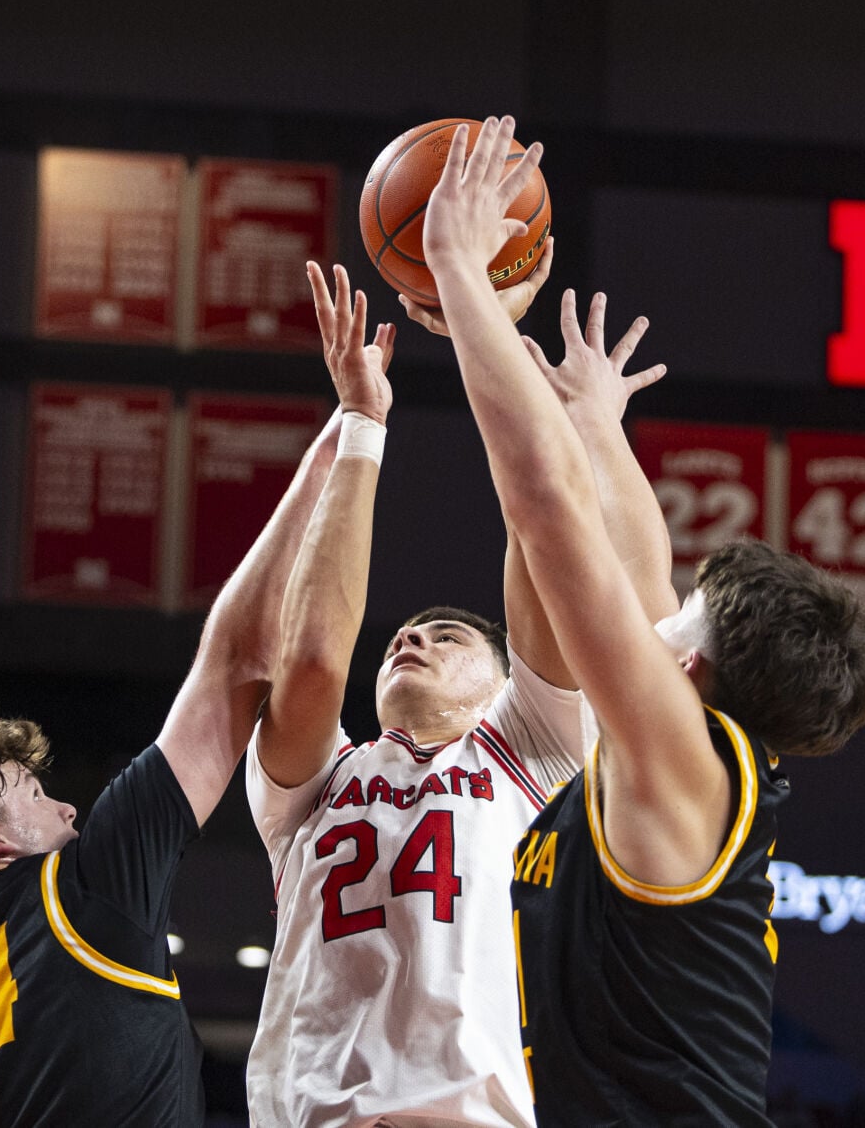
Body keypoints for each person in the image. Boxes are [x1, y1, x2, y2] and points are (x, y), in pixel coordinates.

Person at [423, 116, 865, 1125]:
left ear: (686, 674)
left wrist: (463, 280)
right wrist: (594, 422)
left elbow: (548, 514)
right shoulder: (683, 752)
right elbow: (628, 565)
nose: (656, 613)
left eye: (680, 619)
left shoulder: (687, 758)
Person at [244, 256, 678, 1127]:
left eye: (448, 637)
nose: (411, 637)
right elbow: (315, 661)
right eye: (406, 634)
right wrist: (362, 423)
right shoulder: (315, 783)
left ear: (503, 687)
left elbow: (545, 527)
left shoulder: (534, 748)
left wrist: (553, 399)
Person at [0, 412, 343, 1128]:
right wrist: (338, 448)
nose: (69, 810)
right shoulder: (80, 896)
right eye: (36, 795)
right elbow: (237, 656)